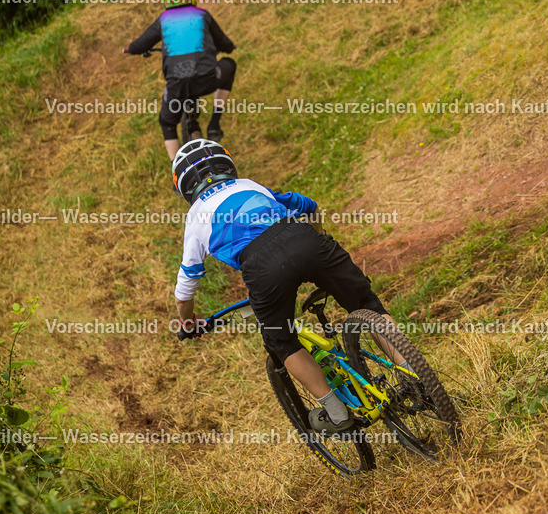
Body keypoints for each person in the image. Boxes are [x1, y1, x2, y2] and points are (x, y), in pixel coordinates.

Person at [170, 139, 411, 435]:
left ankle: (337, 414)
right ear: (226, 165)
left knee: (282, 342)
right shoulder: (249, 185)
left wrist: (189, 321)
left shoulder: (195, 218)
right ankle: (415, 376)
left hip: (262, 267)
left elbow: (185, 290)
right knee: (367, 306)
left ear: (184, 187)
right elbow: (308, 206)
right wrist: (322, 244)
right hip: (305, 238)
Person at [124, 0, 236, 160]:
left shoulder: (163, 20)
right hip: (207, 79)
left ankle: (178, 176)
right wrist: (229, 47)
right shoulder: (202, 15)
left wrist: (130, 49)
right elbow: (222, 41)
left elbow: (141, 44)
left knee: (167, 123)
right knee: (229, 65)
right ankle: (214, 124)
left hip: (177, 85)